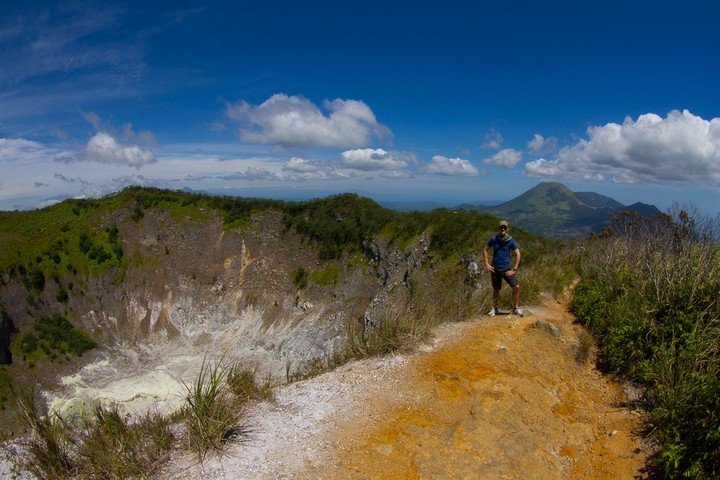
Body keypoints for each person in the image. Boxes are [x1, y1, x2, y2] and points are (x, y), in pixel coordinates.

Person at [483, 220, 524, 316]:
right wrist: (487, 264)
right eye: (501, 227)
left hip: (506, 269)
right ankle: (495, 308)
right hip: (495, 268)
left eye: (504, 227)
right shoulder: (494, 239)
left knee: (516, 286)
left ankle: (516, 308)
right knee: (496, 289)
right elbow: (485, 249)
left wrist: (514, 269)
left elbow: (518, 253)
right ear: (499, 228)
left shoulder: (510, 241)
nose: (503, 229)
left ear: (507, 229)